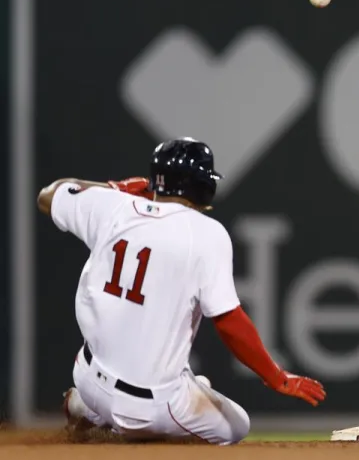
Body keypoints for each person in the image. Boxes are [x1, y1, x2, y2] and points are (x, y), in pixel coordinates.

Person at [38, 137, 326, 444]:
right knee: (236, 426)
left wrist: (115, 188)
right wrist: (276, 377)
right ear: (202, 184)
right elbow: (229, 322)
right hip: (147, 408)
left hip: (86, 376)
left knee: (187, 377)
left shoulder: (110, 206)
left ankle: (85, 406)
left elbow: (49, 194)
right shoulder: (206, 233)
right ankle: (136, 432)